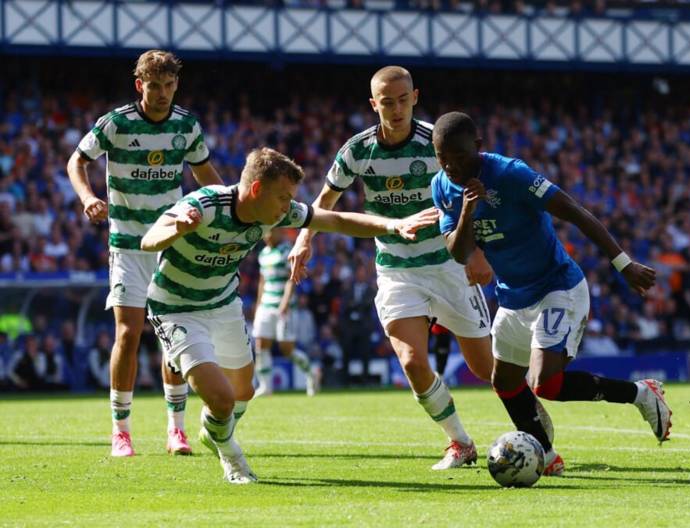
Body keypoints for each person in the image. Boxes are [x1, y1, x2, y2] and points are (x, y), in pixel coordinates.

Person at [141, 147, 436, 484]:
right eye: (283, 197)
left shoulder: (277, 213)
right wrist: (177, 229)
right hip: (176, 308)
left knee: (243, 393)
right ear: (256, 189)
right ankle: (232, 458)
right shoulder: (205, 204)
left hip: (222, 304)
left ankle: (214, 430)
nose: (287, 206)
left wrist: (394, 225)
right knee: (222, 400)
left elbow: (336, 220)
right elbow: (149, 240)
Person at [430, 111, 672, 476]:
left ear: (478, 147)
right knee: (504, 382)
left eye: (459, 156)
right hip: (513, 297)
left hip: (558, 287)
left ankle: (640, 393)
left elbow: (573, 211)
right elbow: (459, 253)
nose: (451, 166)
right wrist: (467, 211)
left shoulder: (511, 174)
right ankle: (544, 453)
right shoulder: (442, 187)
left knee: (545, 383)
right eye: (442, 158)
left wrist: (623, 264)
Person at [288, 66, 496, 470]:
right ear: (373, 104)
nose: (396, 109)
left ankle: (538, 434)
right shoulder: (357, 151)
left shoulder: (436, 142)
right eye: (387, 103)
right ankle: (460, 442)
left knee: (487, 369)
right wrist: (304, 239)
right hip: (397, 270)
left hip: (448, 264)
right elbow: (325, 201)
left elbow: (473, 196)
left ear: (415, 97)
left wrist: (476, 251)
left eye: (403, 100)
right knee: (413, 362)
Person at [66, 50, 224, 457]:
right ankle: (120, 431)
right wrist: (87, 197)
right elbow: (76, 162)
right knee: (128, 333)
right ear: (140, 85)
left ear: (177, 85)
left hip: (171, 243)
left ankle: (176, 430)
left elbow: (204, 174)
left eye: (169, 85)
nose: (162, 93)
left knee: (173, 335)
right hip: (127, 245)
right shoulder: (116, 123)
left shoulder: (186, 125)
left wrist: (227, 207)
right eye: (154, 86)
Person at [252, 229, 320, 397]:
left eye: (270, 232)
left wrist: (285, 302)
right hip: (266, 305)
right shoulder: (263, 253)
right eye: (266, 233)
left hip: (284, 306)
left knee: (287, 349)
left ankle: (311, 372)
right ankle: (266, 386)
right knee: (261, 344)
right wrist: (258, 304)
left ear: (278, 233)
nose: (267, 236)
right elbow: (262, 281)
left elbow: (292, 278)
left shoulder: (286, 251)